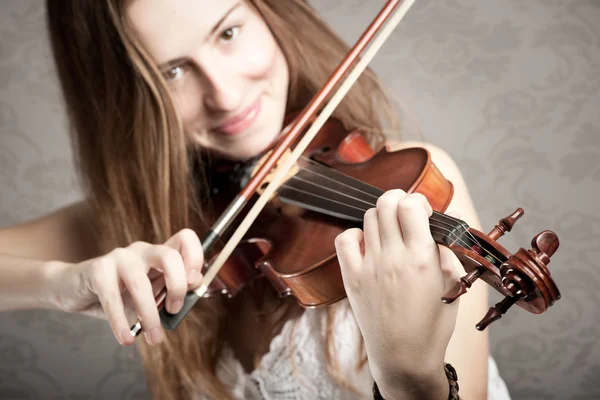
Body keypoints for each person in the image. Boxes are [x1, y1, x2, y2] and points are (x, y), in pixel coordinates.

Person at [0, 0, 512, 399]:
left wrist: (413, 382)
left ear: (271, 15)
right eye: (171, 72)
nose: (223, 94)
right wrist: (59, 284)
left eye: (227, 32)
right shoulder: (162, 214)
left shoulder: (408, 192)